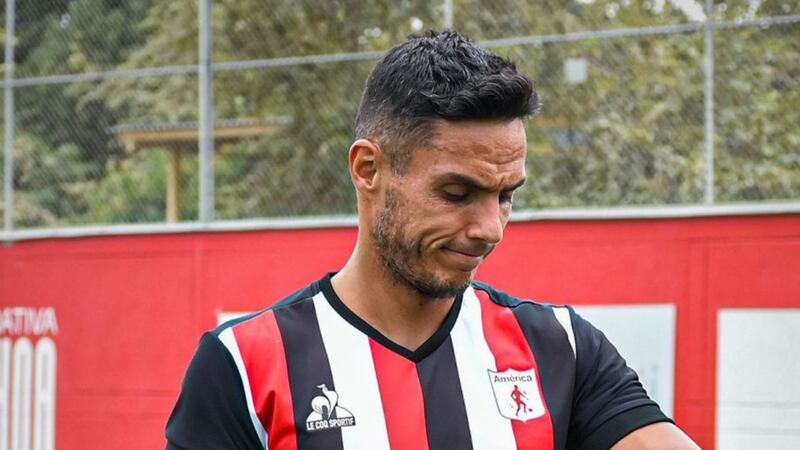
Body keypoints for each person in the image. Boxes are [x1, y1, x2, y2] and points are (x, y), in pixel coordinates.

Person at [165, 30, 700, 450]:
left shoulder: (561, 347)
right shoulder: (243, 364)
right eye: (457, 192)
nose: (489, 228)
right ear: (368, 168)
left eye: (506, 195)